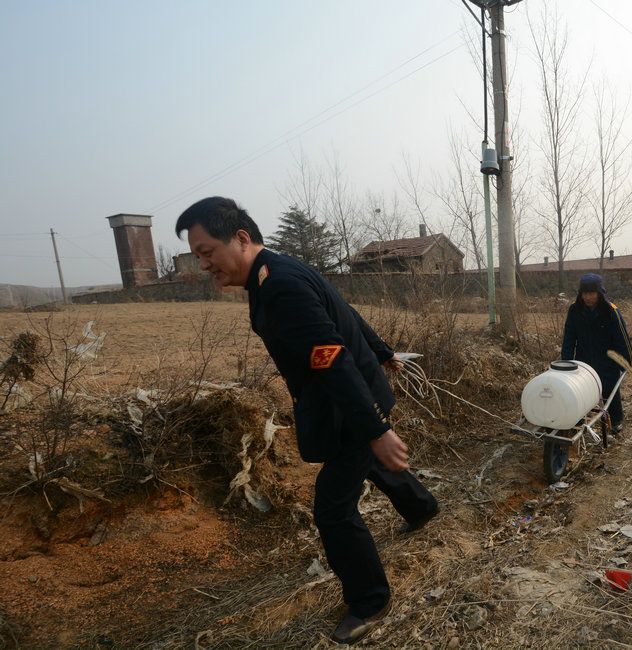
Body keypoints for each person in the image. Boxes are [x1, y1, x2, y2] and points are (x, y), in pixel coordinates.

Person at [175, 196, 438, 645]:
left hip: (351, 402)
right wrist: (381, 351)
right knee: (368, 464)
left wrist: (376, 429)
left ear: (240, 239)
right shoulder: (275, 270)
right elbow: (343, 311)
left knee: (333, 508)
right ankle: (422, 508)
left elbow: (331, 358)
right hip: (349, 397)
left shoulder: (280, 285)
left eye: (206, 252)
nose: (203, 264)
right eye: (197, 255)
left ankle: (370, 600)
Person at [560, 273, 632, 433]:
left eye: (591, 293)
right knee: (580, 390)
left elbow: (622, 338)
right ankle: (578, 419)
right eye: (584, 293)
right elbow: (569, 338)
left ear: (599, 293)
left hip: (607, 359)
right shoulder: (574, 310)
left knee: (609, 388)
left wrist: (627, 361)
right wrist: (565, 362)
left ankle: (616, 420)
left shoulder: (610, 311)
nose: (587, 297)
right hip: (584, 359)